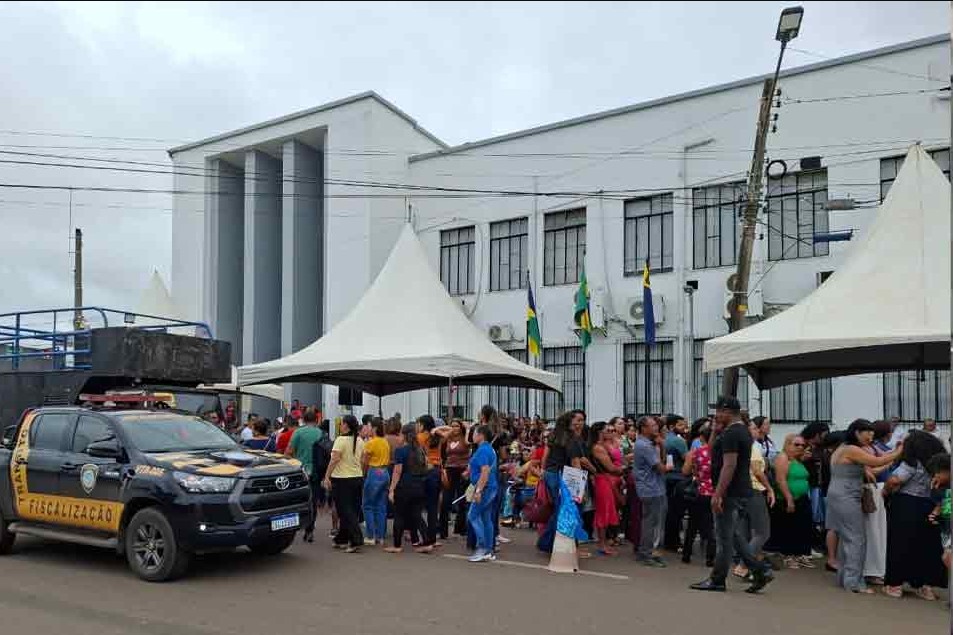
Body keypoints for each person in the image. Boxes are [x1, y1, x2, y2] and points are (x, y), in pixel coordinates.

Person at [691, 396, 773, 594]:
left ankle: (718, 579)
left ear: (727, 411)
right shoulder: (738, 431)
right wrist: (714, 430)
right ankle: (760, 570)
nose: (715, 415)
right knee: (732, 535)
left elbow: (730, 464)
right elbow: (711, 452)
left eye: (718, 411)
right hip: (739, 489)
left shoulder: (732, 434)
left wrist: (717, 494)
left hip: (730, 491)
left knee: (723, 537)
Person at [825, 420, 904, 594]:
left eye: (872, 434)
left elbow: (872, 469)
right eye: (867, 433)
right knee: (856, 539)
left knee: (847, 538)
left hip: (838, 495)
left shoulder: (842, 449)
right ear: (856, 433)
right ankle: (854, 583)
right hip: (846, 496)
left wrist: (891, 459)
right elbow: (876, 461)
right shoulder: (852, 449)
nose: (870, 437)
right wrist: (899, 451)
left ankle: (845, 578)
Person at [883, 430, 946, 600]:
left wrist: (886, 489)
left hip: (906, 504)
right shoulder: (937, 465)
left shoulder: (912, 462)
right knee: (927, 546)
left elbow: (896, 480)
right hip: (930, 505)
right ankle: (925, 586)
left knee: (901, 543)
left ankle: (895, 586)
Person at [733, 419, 776, 579]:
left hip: (741, 491)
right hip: (754, 490)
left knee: (745, 531)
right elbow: (757, 471)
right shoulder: (753, 448)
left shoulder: (739, 448)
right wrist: (770, 488)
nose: (757, 430)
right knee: (762, 532)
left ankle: (748, 563)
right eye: (753, 428)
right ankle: (744, 564)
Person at [768, 434, 813, 570]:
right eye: (796, 444)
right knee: (790, 527)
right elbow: (780, 479)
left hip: (803, 497)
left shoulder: (798, 460)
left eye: (802, 445)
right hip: (789, 498)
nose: (800, 447)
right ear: (787, 444)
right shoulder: (783, 458)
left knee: (803, 527)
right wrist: (789, 498)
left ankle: (800, 554)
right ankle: (789, 555)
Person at [386, 423, 431, 554]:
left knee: (399, 515)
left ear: (404, 436)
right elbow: (426, 466)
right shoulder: (420, 449)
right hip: (419, 485)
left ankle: (397, 545)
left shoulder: (400, 451)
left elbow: (397, 471)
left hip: (404, 486)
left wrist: (392, 489)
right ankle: (427, 542)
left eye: (400, 434)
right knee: (417, 515)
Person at [322, 415, 365, 553]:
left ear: (346, 425)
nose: (340, 426)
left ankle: (356, 539)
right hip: (357, 477)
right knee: (352, 509)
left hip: (342, 479)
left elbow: (334, 459)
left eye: (342, 424)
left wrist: (327, 476)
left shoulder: (340, 440)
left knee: (345, 511)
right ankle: (342, 538)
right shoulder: (359, 440)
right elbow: (363, 460)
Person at [284, 408, 325, 542]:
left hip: (300, 471)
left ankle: (293, 526)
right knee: (313, 501)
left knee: (297, 499)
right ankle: (310, 529)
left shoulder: (298, 432)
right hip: (317, 471)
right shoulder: (321, 433)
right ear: (316, 420)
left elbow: (288, 451)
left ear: (303, 420)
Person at [633, 416, 669, 567]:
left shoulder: (647, 443)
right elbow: (660, 467)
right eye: (653, 426)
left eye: (656, 425)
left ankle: (649, 551)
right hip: (650, 488)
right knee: (651, 523)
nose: (656, 428)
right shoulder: (645, 445)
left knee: (653, 522)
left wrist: (661, 446)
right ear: (644, 428)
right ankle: (646, 553)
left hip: (653, 487)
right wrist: (662, 447)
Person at [537, 412, 574, 553]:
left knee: (558, 507)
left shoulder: (553, 435)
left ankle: (548, 541)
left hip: (551, 472)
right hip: (562, 473)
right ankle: (547, 541)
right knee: (561, 508)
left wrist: (543, 470)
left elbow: (545, 456)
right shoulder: (570, 437)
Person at [862, 420, 893, 585]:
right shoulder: (861, 449)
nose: (870, 436)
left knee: (879, 530)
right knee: (872, 530)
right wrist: (887, 463)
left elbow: (885, 458)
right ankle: (871, 570)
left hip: (878, 489)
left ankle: (878, 568)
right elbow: (871, 470)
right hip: (870, 489)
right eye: (867, 432)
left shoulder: (874, 448)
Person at [682, 420, 715, 566]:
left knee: (693, 525)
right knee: (711, 526)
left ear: (702, 438)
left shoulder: (695, 453)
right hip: (715, 492)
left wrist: (697, 471)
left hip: (699, 490)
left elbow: (685, 471)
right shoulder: (720, 453)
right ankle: (710, 557)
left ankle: (686, 554)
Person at [590, 421, 624, 556]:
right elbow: (610, 467)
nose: (610, 433)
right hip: (602, 479)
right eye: (607, 430)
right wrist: (623, 469)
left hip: (604, 479)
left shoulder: (601, 446)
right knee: (603, 511)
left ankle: (603, 543)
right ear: (600, 432)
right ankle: (602, 544)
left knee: (605, 511)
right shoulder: (598, 447)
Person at [417, 414, 450, 548]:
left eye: (418, 424)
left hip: (424, 471)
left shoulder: (419, 438)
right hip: (436, 471)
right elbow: (450, 430)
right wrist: (436, 430)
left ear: (423, 425)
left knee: (416, 506)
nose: (417, 426)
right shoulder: (437, 437)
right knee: (432, 507)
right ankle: (433, 538)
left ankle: (426, 538)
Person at [467, 424, 499, 562]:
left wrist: (478, 490)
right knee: (486, 519)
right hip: (490, 487)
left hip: (485, 488)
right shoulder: (489, 449)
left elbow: (484, 472)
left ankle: (482, 548)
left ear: (481, 435)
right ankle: (489, 549)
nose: (472, 436)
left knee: (473, 516)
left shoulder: (482, 451)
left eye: (474, 433)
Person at [440, 419, 471, 539]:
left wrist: (467, 429)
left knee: (462, 500)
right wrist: (448, 429)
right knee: (446, 500)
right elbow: (437, 433)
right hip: (449, 469)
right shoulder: (448, 438)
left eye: (457, 426)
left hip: (462, 470)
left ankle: (461, 529)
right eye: (452, 426)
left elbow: (469, 443)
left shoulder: (465, 437)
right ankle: (443, 531)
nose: (454, 428)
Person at [662, 414, 689, 552]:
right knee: (676, 512)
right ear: (672, 426)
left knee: (670, 511)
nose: (684, 428)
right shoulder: (679, 441)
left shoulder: (664, 439)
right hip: (677, 478)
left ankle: (669, 541)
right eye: (680, 425)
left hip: (667, 477)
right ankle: (673, 541)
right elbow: (687, 459)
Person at [362, 419, 391, 546]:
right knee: (381, 506)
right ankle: (380, 536)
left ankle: (370, 535)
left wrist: (363, 473)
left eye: (368, 427)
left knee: (367, 505)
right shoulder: (385, 442)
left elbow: (365, 461)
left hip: (374, 472)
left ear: (374, 428)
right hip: (385, 472)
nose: (367, 429)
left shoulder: (371, 443)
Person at [926, 453, 951, 575]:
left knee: (947, 557)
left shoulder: (948, 490)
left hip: (948, 531)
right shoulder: (944, 487)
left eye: (938, 472)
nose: (935, 476)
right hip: (946, 531)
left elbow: (947, 512)